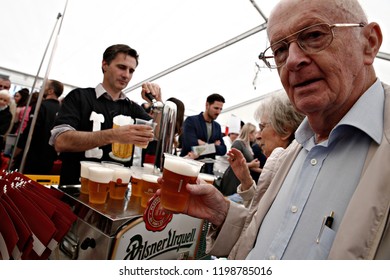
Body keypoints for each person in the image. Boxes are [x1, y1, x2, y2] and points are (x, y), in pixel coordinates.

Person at [159, 0, 390, 259]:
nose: (292, 60)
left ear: (369, 43)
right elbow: (267, 243)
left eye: (314, 35)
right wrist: (223, 214)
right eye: (279, 50)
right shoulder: (292, 150)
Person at [50, 44, 162, 185]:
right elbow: (61, 141)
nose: (126, 75)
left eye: (131, 71)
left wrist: (158, 103)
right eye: (121, 67)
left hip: (117, 194)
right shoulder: (79, 97)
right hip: (77, 191)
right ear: (105, 64)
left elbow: (158, 134)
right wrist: (114, 135)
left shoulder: (133, 107)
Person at [235, 91, 304, 206]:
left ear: (285, 130)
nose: (258, 135)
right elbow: (258, 215)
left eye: (262, 127)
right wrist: (246, 182)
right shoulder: (285, 167)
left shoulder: (292, 175)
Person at [12, 80, 64, 174]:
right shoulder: (62, 109)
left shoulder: (40, 106)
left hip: (32, 155)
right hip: (49, 158)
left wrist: (17, 151)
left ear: (50, 91)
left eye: (43, 86)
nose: (41, 89)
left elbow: (30, 131)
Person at [180, 93, 227, 174]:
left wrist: (202, 144)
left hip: (207, 171)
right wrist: (213, 146)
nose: (218, 112)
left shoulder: (217, 127)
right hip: (189, 167)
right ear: (207, 105)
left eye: (220, 109)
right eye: (216, 108)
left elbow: (223, 150)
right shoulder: (191, 121)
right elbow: (189, 145)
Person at [218, 123, 260, 196]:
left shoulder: (247, 145)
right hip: (233, 177)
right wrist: (252, 164)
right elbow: (233, 162)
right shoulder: (238, 143)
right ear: (249, 133)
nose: (255, 136)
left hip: (240, 177)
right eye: (254, 133)